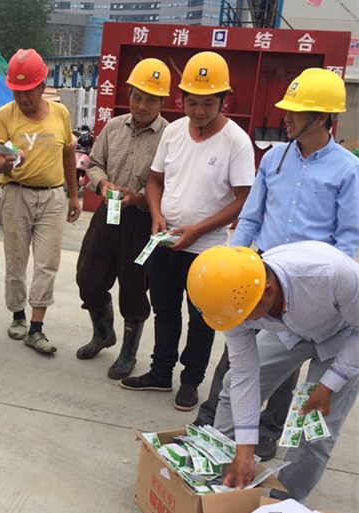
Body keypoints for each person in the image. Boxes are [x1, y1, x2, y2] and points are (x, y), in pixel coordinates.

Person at [194, 68, 359, 461]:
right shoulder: (273, 159)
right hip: (259, 278)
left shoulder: (347, 169)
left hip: (313, 287)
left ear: (320, 117)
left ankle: (267, 433)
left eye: (294, 112)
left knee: (288, 379)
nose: (285, 117)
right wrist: (235, 263)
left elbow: (348, 238)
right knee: (239, 364)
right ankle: (217, 432)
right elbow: (251, 218)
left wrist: (324, 294)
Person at [120, 51, 255, 411]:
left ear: (224, 100)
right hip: (165, 242)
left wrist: (198, 230)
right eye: (192, 102)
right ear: (181, 99)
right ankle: (160, 372)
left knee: (201, 319)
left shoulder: (236, 142)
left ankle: (191, 381)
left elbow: (244, 199)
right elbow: (154, 181)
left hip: (206, 250)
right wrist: (156, 215)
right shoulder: (174, 132)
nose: (199, 111)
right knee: (165, 310)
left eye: (208, 103)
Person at [187, 242, 359, 502]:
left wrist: (330, 384)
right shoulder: (232, 304)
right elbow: (245, 374)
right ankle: (220, 484)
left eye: (245, 318)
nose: (241, 324)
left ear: (268, 293)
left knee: (313, 430)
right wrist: (245, 448)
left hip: (345, 336)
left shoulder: (333, 275)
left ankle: (282, 503)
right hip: (290, 330)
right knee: (232, 389)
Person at [75, 58, 170, 379]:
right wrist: (103, 184)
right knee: (88, 278)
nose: (142, 106)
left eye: (151, 100)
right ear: (128, 95)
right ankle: (103, 333)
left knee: (134, 286)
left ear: (162, 101)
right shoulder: (114, 127)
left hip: (143, 220)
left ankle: (128, 352)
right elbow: (94, 164)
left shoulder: (170, 136)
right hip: (109, 214)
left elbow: (169, 181)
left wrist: (139, 197)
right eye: (137, 97)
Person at [0, 48, 81, 355]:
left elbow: (68, 153)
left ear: (42, 87)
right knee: (16, 259)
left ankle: (36, 328)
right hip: (16, 194)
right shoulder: (4, 115)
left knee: (48, 263)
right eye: (16, 91)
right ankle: (18, 314)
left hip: (53, 196)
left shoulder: (60, 114)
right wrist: (7, 163)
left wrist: (73, 194)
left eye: (27, 91)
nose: (22, 98)